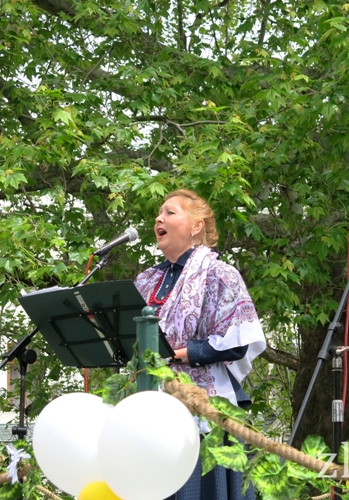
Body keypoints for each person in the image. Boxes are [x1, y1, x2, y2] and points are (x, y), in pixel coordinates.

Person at [134, 189, 266, 500]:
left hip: (204, 410)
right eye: (158, 214)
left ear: (197, 225)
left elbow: (236, 342)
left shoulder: (220, 274)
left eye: (170, 212)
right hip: (148, 410)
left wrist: (174, 356)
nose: (159, 219)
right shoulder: (146, 281)